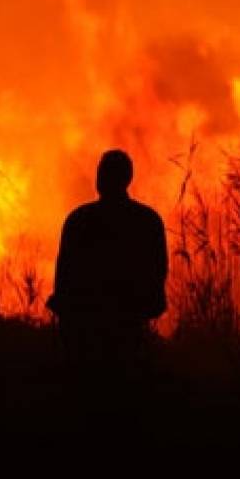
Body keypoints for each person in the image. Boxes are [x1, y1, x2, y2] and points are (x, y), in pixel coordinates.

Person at [47, 149, 168, 368]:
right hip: (129, 323)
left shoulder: (80, 219)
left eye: (104, 173)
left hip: (87, 324)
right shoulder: (147, 221)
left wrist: (65, 313)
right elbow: (158, 273)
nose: (101, 178)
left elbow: (64, 275)